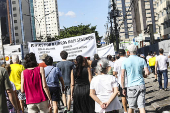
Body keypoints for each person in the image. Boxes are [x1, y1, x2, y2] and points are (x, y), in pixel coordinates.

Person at [121, 44, 149, 113]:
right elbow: (147, 73)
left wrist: (123, 87)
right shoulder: (142, 60)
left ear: (128, 52)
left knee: (131, 107)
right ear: (136, 50)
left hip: (131, 86)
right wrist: (143, 74)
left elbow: (122, 75)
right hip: (141, 84)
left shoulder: (125, 61)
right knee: (141, 107)